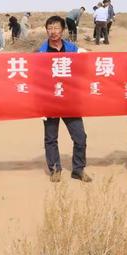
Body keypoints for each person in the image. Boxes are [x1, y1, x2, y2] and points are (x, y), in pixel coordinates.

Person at [38, 15, 92, 183]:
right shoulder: (41, 52)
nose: (53, 32)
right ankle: (55, 169)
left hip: (70, 101)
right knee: (51, 138)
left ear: (62, 30)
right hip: (50, 102)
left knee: (80, 137)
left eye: (56, 28)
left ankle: (78, 169)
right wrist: (40, 106)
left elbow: (87, 63)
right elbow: (36, 80)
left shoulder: (72, 49)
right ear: (46, 30)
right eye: (50, 28)